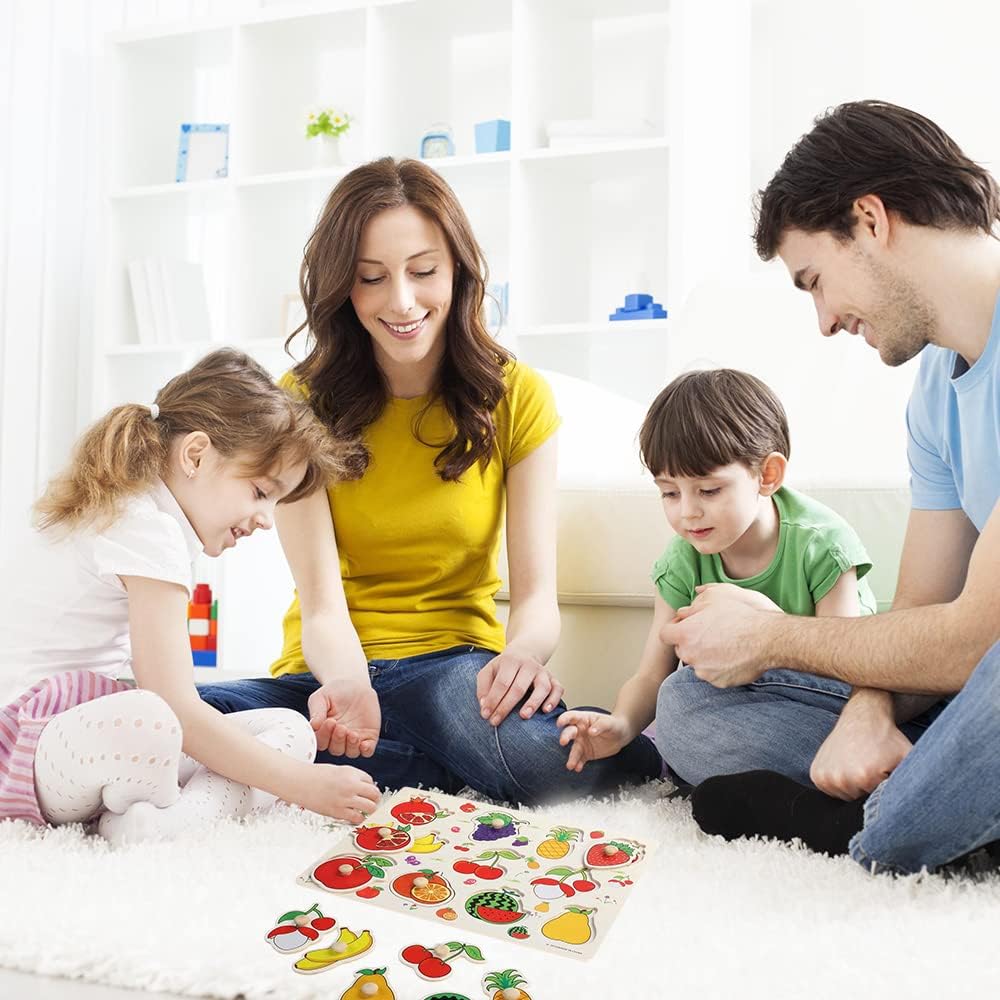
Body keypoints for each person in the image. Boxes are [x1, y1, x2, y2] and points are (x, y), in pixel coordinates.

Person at [197, 157, 661, 804]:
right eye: (371, 278)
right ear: (343, 286)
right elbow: (322, 605)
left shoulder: (515, 395)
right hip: (329, 676)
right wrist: (350, 684)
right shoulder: (299, 402)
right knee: (177, 717)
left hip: (452, 674)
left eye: (423, 272)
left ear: (458, 272)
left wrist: (523, 657)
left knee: (539, 761)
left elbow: (535, 599)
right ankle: (423, 762)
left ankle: (356, 760)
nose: (403, 302)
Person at [658, 100, 1000, 875]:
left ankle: (872, 829)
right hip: (970, 679)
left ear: (870, 220)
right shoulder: (936, 391)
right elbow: (922, 611)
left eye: (815, 280)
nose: (823, 321)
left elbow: (978, 637)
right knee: (690, 708)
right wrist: (868, 712)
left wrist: (774, 636)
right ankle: (951, 813)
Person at [0, 349, 380, 844]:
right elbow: (174, 704)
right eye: (262, 493)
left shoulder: (145, 515)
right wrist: (304, 785)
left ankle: (155, 824)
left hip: (78, 740)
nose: (266, 520)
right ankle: (166, 815)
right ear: (195, 454)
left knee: (289, 728)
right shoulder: (144, 526)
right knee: (157, 719)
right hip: (24, 746)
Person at [557, 368, 876, 775]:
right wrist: (620, 726)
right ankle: (796, 785)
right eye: (669, 493)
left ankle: (820, 776)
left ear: (767, 475)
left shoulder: (822, 544)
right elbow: (653, 674)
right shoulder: (682, 561)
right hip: (747, 711)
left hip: (834, 705)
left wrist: (763, 624)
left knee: (684, 713)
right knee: (677, 703)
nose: (687, 511)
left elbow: (846, 668)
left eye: (708, 490)